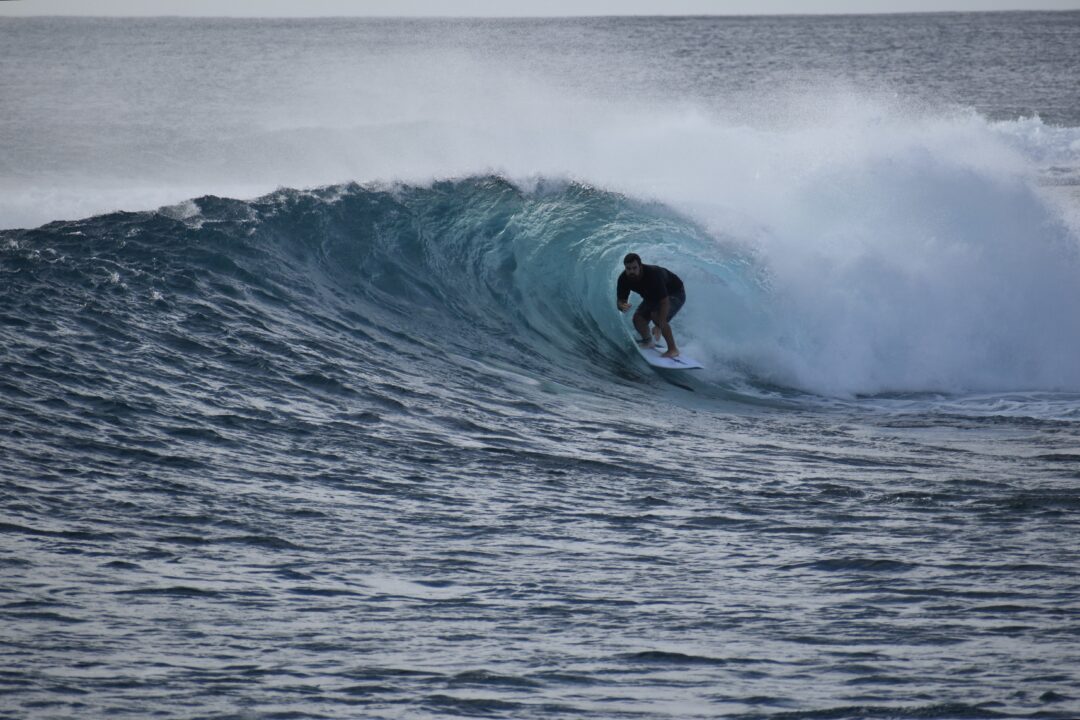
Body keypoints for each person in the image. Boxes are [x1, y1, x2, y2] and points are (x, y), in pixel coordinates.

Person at [616, 252, 686, 359]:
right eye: (628, 268)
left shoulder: (653, 274)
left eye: (634, 268)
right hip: (652, 296)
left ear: (640, 266)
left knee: (657, 317)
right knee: (638, 319)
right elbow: (621, 300)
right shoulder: (624, 279)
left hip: (674, 293)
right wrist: (621, 305)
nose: (631, 271)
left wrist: (660, 323)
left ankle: (673, 349)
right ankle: (648, 341)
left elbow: (664, 301)